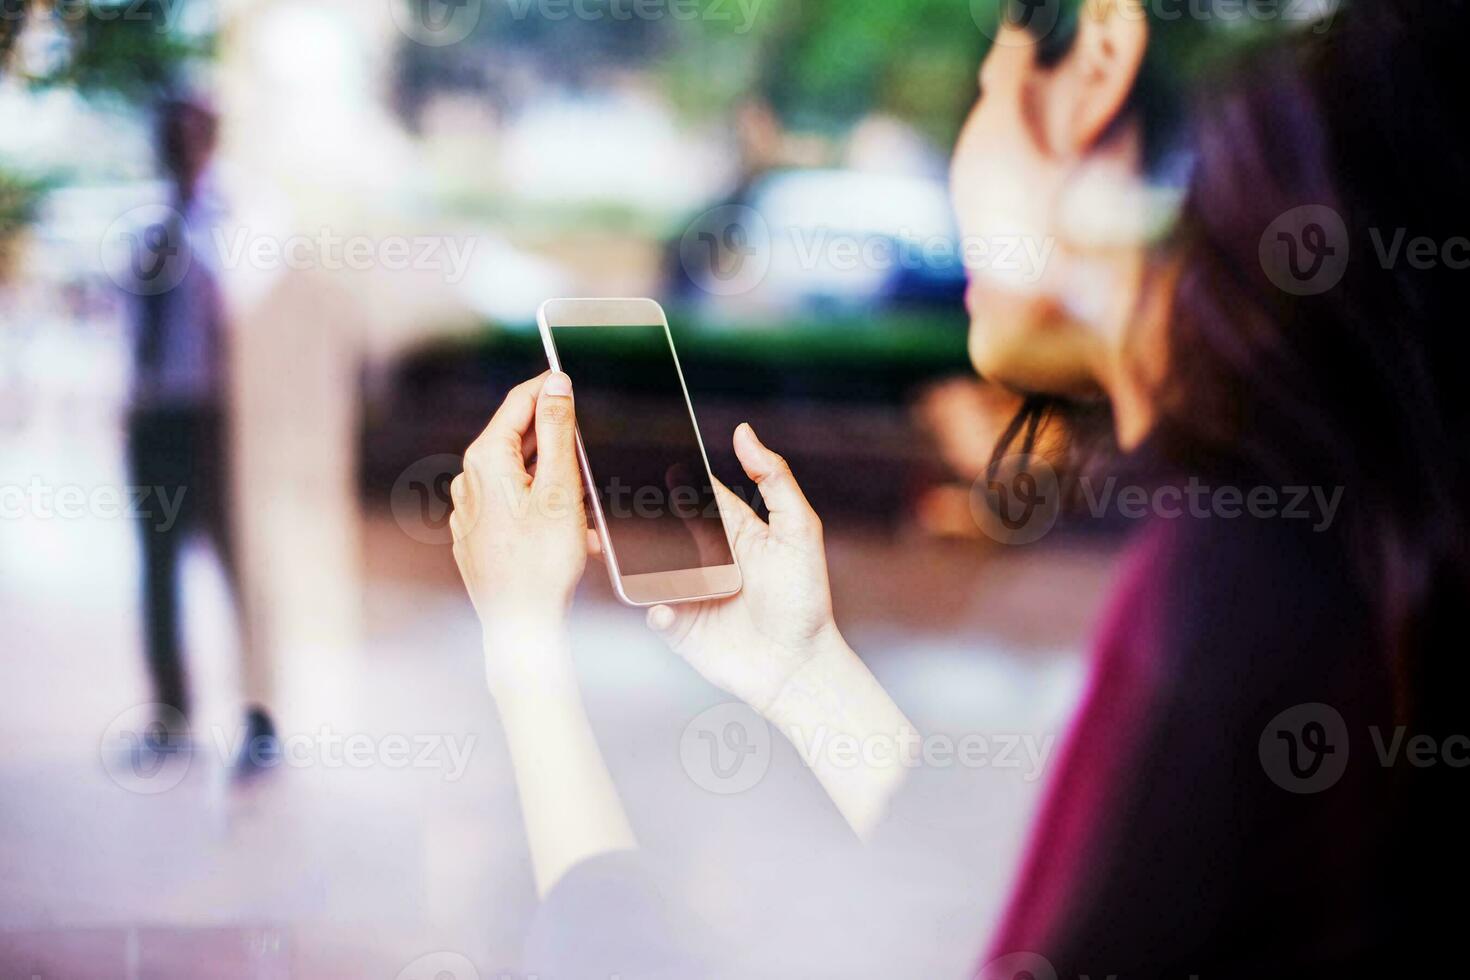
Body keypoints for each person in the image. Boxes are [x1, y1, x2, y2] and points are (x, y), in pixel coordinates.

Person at [448, 0, 1467, 975]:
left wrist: (523, 651)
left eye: (984, 91)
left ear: (1096, 79)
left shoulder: (1235, 577)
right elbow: (1005, 912)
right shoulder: (1359, 555)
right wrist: (803, 674)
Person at [124, 97, 276, 766]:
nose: (181, 146)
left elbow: (249, 311)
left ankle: (261, 717)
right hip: (153, 417)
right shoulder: (138, 219)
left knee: (240, 566)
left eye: (193, 133)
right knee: (157, 572)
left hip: (218, 421)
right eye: (171, 134)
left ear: (211, 140)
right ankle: (170, 715)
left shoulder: (240, 218)